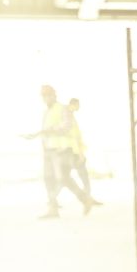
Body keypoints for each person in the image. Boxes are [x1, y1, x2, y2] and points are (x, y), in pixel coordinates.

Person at [25, 85, 96, 218]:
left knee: (62, 178)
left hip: (61, 151)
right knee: (49, 179)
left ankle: (82, 199)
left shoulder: (63, 109)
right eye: (44, 96)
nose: (46, 98)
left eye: (48, 95)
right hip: (49, 150)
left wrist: (47, 131)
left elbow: (67, 127)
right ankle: (56, 207)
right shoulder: (46, 112)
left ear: (54, 95)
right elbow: (45, 132)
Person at [66, 98, 100, 203]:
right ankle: (87, 198)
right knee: (83, 177)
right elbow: (75, 138)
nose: (79, 107)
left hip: (71, 152)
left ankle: (53, 200)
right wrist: (81, 154)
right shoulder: (69, 118)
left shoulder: (69, 116)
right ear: (74, 104)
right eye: (78, 105)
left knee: (65, 178)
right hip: (75, 152)